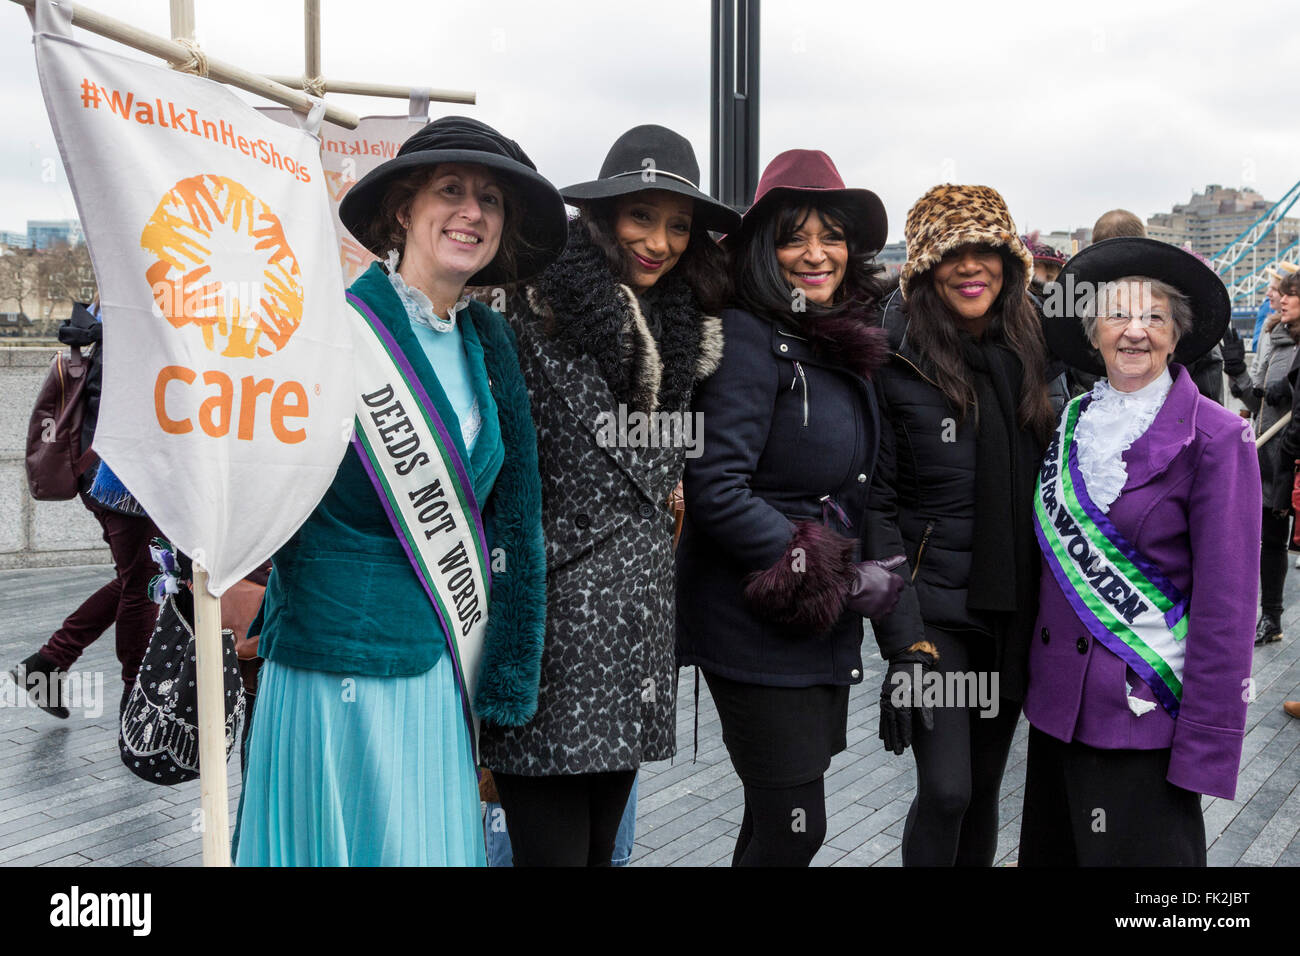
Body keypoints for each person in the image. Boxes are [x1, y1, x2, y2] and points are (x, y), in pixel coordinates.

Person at [232, 117, 566, 866]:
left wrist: (508, 675)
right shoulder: (327, 329)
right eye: (451, 191)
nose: (472, 212)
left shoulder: (490, 341)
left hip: (441, 665)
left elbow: (516, 517)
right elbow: (256, 480)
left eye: (491, 200)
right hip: (331, 662)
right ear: (402, 212)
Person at [477, 125, 737, 867]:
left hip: (634, 633)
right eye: (641, 217)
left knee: (600, 853)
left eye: (679, 225)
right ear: (599, 218)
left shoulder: (685, 330)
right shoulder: (527, 313)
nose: (660, 241)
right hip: (551, 633)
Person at [676, 149, 900, 866]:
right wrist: (827, 567)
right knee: (797, 822)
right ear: (763, 250)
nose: (815, 253)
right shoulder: (749, 335)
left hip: (814, 623)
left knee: (775, 820)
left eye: (830, 234)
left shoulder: (831, 341)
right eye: (792, 236)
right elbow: (716, 487)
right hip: (754, 621)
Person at [1021, 237, 1260, 866]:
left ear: (1176, 336)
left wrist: (1206, 744)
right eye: (1117, 315)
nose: (1134, 332)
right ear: (1092, 331)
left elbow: (1228, 607)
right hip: (1056, 712)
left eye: (1154, 316)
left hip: (1143, 717)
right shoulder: (1071, 420)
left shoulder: (1218, 436)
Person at [865, 183, 1061, 866]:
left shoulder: (1036, 350)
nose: (972, 265)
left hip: (1012, 608)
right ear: (923, 268)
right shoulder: (894, 358)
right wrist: (902, 639)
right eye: (953, 253)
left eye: (988, 251)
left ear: (1009, 264)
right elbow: (877, 511)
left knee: (980, 792)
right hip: (934, 616)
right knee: (946, 790)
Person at [10, 299, 161, 721]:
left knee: (137, 575)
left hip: (100, 471)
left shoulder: (114, 311)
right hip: (122, 478)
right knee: (142, 585)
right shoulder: (137, 318)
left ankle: (50, 662)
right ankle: (136, 698)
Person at [1227, 269, 1300, 646]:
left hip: (1296, 462)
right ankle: (1270, 618)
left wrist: (1290, 389)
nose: (1281, 299)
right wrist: (1237, 372)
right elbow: (1260, 405)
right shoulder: (1276, 339)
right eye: (1281, 293)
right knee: (1270, 541)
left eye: (1290, 294)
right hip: (1272, 459)